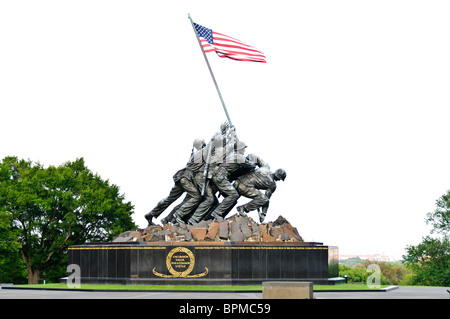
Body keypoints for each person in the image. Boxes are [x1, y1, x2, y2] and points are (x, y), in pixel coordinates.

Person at [144, 138, 209, 225]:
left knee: (169, 199)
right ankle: (177, 215)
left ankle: (151, 214)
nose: (205, 145)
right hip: (186, 178)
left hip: (181, 177)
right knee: (197, 197)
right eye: (204, 144)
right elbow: (212, 145)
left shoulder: (195, 154)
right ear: (201, 144)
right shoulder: (201, 152)